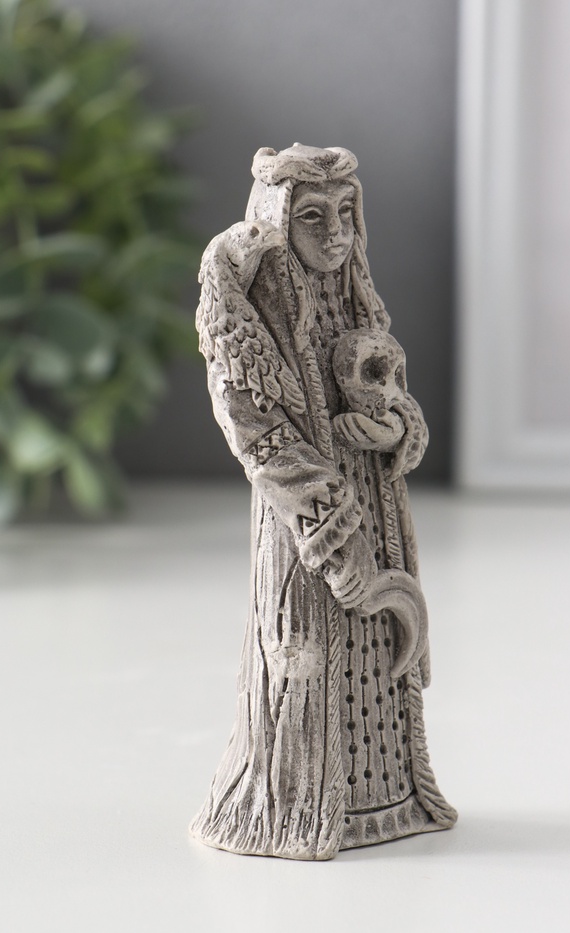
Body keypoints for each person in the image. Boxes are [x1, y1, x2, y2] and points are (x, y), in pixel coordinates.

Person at [192, 143, 456, 860]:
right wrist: (334, 538)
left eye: (345, 212)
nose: (335, 232)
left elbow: (391, 399)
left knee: (379, 662)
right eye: (313, 216)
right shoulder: (255, 319)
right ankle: (294, 807)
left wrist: (396, 427)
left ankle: (388, 796)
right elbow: (259, 436)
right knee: (305, 662)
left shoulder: (351, 302)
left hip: (377, 510)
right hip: (307, 537)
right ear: (279, 221)